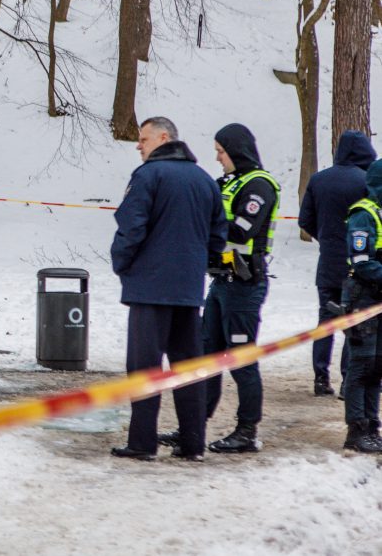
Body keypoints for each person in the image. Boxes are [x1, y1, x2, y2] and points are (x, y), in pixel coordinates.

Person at [109, 117, 227, 462]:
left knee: (144, 368)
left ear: (163, 138)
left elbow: (131, 227)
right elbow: (218, 236)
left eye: (143, 139)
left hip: (149, 290)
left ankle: (142, 443)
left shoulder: (148, 176)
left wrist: (123, 264)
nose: (138, 145)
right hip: (188, 291)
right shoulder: (205, 180)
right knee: (187, 368)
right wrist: (196, 267)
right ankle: (193, 442)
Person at [200, 123, 280, 454]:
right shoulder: (227, 183)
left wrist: (204, 225)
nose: (217, 158)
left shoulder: (259, 185)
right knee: (206, 359)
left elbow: (241, 231)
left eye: (221, 151)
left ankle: (247, 431)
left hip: (245, 286)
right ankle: (193, 426)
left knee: (241, 361)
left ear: (236, 150)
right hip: (221, 281)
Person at [299, 130, 376, 397]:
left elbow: (304, 221)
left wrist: (326, 238)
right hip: (355, 265)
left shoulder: (318, 180)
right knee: (354, 324)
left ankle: (320, 378)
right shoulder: (365, 181)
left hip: (327, 262)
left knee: (325, 321)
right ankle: (347, 380)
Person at [340, 159, 382, 453]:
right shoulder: (363, 214)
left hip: (377, 297)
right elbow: (362, 262)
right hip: (363, 296)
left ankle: (372, 425)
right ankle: (356, 430)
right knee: (362, 365)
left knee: (377, 366)